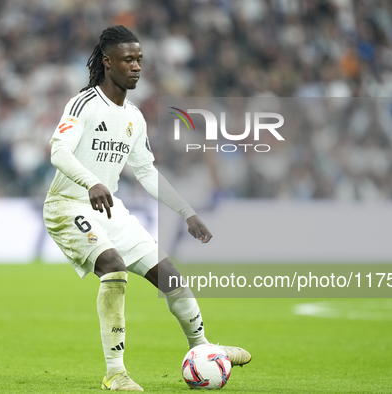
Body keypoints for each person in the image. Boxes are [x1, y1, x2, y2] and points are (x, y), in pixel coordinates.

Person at [43, 25, 251, 391]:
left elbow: (146, 173)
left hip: (109, 209)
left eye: (139, 59)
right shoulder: (84, 104)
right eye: (128, 60)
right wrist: (90, 181)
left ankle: (204, 349)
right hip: (67, 205)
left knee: (169, 275)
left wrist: (187, 211)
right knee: (114, 268)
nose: (137, 66)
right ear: (107, 63)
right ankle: (115, 372)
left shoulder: (133, 118)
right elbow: (58, 150)